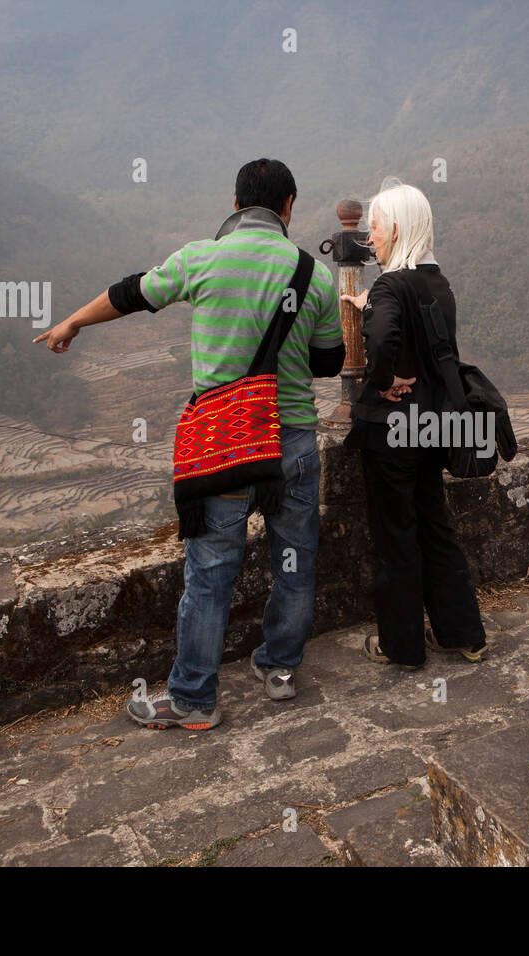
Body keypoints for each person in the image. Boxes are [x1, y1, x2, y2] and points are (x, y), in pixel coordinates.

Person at [34, 158, 344, 728]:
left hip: (224, 445)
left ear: (234, 205)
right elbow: (329, 363)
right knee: (294, 563)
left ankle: (194, 700)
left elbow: (130, 294)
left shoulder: (200, 259)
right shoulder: (314, 275)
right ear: (289, 206)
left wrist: (72, 323)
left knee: (209, 574)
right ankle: (279, 668)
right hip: (293, 443)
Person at [341, 179, 488, 668]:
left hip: (393, 431)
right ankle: (463, 634)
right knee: (434, 525)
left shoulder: (389, 285)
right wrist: (375, 308)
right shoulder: (437, 283)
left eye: (376, 228)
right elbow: (420, 335)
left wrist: (382, 380)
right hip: (434, 426)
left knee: (396, 535)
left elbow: (383, 339)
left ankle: (400, 644)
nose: (370, 239)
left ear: (397, 229)